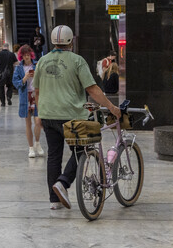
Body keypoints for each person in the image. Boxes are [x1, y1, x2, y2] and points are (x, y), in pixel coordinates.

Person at [34, 25, 121, 210]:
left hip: (48, 115)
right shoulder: (77, 60)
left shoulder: (42, 61)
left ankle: (54, 200)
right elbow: (92, 89)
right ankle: (63, 183)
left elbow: (37, 91)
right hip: (71, 116)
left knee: (54, 155)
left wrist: (40, 114)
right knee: (82, 150)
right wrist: (112, 107)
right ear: (71, 41)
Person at [12, 45, 44, 158]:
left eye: (28, 55)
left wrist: (36, 76)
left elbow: (44, 79)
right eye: (24, 55)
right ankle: (31, 148)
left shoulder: (37, 65)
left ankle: (37, 143)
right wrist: (25, 78)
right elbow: (16, 83)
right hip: (25, 96)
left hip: (37, 95)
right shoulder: (19, 68)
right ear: (21, 56)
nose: (27, 57)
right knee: (28, 123)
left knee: (38, 121)